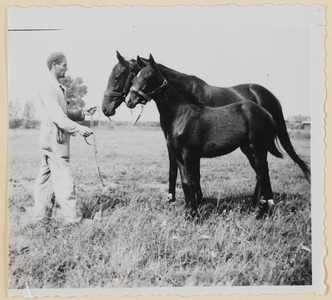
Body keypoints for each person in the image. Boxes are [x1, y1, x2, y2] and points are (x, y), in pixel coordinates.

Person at [34, 52, 96, 225]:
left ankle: (40, 219)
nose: (66, 68)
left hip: (50, 140)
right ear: (54, 65)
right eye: (64, 65)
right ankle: (73, 220)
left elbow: (63, 112)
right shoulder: (48, 86)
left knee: (44, 180)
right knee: (64, 178)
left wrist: (83, 113)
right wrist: (79, 129)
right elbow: (58, 117)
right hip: (54, 141)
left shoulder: (56, 87)